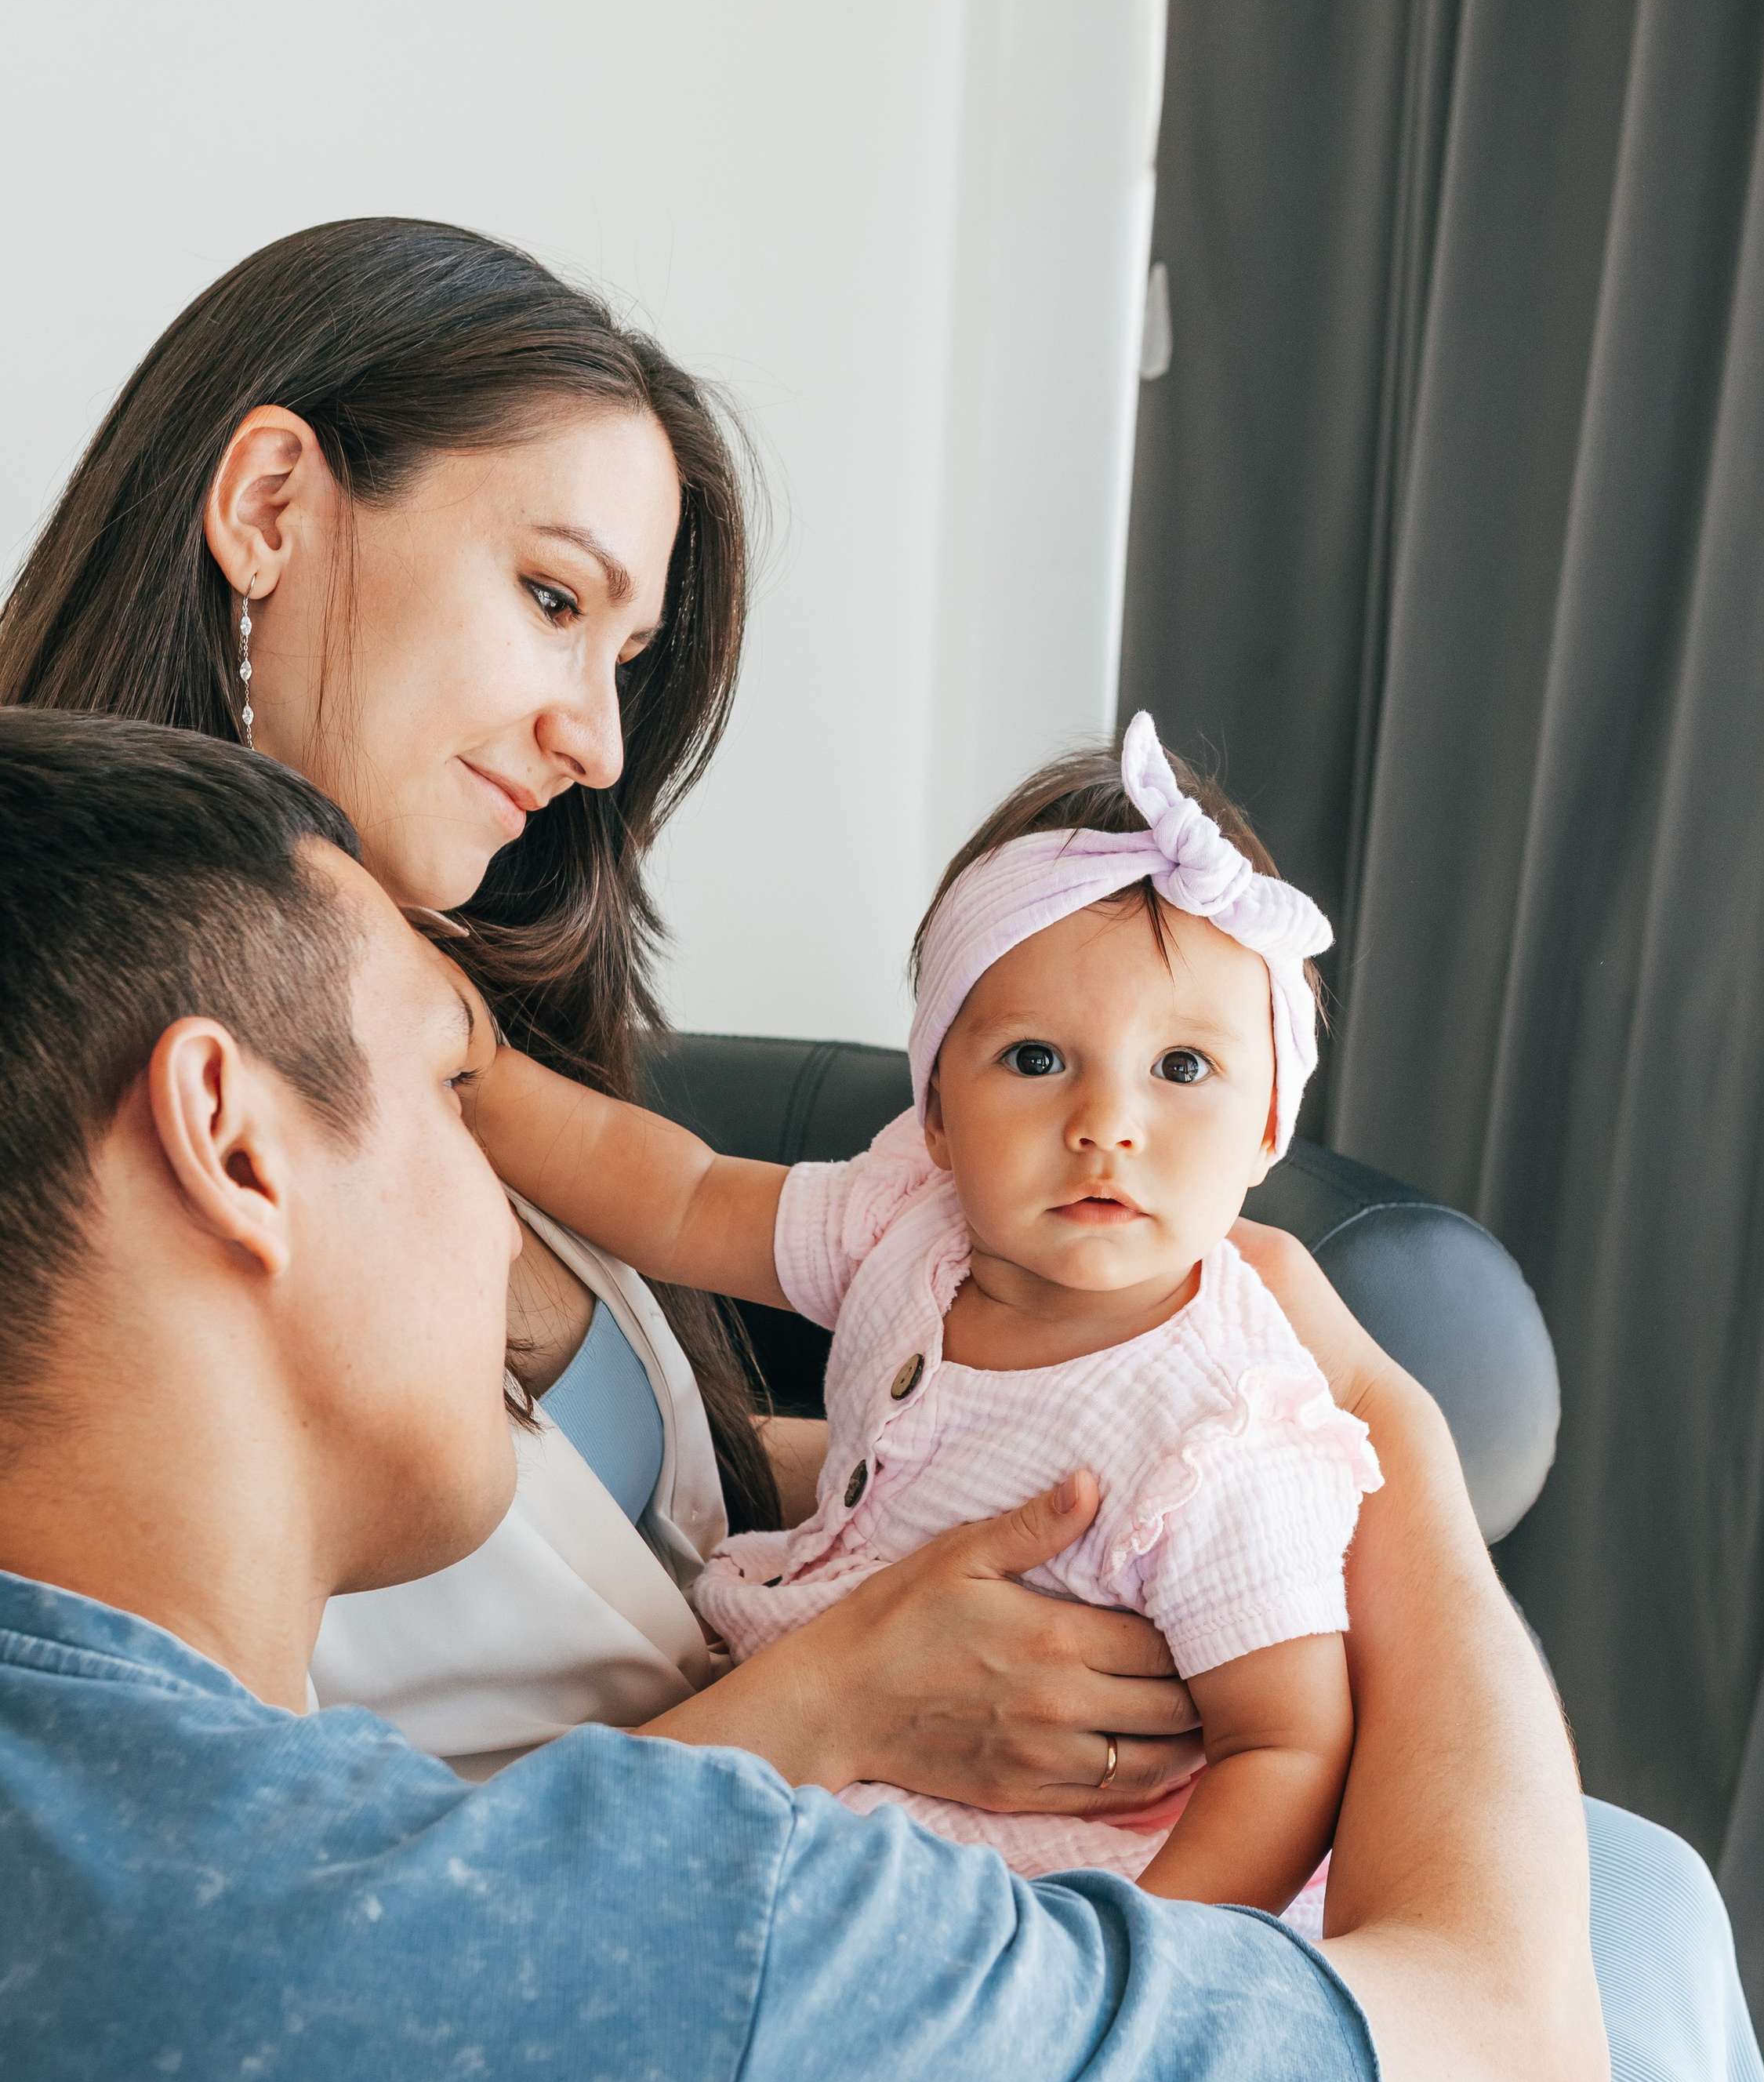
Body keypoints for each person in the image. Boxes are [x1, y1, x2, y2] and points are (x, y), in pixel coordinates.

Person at [0, 218, 1764, 2082]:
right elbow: (265, 1897)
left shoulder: (432, 1061)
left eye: (630, 657)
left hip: (772, 1853)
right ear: (272, 510)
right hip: (713, 1954)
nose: (591, 737)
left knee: (1630, 1909)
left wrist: (1026, 1445)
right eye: (555, 599)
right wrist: (858, 1690)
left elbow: (642, 1471)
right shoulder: (126, 1164)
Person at [470, 709, 1377, 1920]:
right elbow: (679, 1197)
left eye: (1183, 1068)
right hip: (821, 1751)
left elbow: (1289, 1750)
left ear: (1270, 1125)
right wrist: (474, 1071)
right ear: (938, 1110)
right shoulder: (911, 1220)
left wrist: (1132, 1973)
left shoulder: (1219, 1431)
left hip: (1049, 1890)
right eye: (1039, 1060)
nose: (1107, 1124)